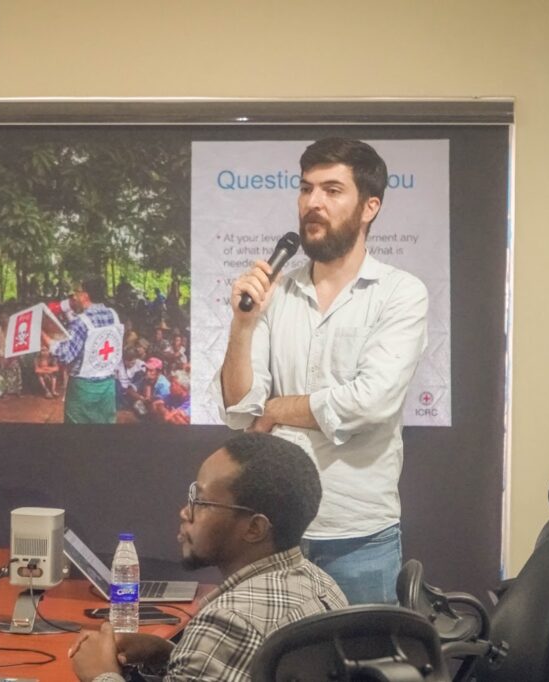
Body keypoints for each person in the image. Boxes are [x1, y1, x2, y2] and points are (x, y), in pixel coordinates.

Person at [211, 137, 429, 604]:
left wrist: (276, 409)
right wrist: (243, 325)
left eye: (332, 190)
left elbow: (370, 402)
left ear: (369, 207)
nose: (313, 202)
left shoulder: (400, 293)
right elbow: (239, 411)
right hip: (274, 535)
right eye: (306, 188)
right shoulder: (277, 293)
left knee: (361, 673)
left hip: (359, 538)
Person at [69, 432, 347, 682]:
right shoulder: (322, 584)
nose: (185, 512)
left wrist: (101, 674)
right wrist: (170, 654)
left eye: (200, 502)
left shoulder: (230, 620)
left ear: (254, 528)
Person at [45, 277, 125, 423]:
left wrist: (43, 336)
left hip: (83, 390)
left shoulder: (81, 322)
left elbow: (65, 356)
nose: (74, 296)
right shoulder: (113, 315)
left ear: (85, 296)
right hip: (108, 386)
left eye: (77, 292)